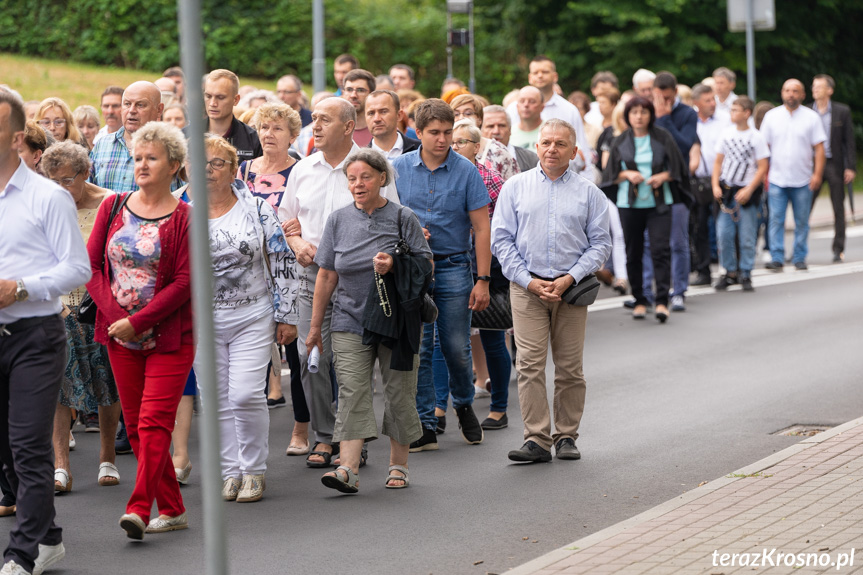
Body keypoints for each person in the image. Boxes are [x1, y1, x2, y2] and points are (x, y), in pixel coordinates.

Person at [85, 121, 193, 539]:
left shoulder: (185, 217)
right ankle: (173, 506)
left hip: (170, 339)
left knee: (152, 425)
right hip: (119, 337)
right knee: (138, 427)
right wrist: (118, 321)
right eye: (138, 158)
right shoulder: (113, 206)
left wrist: (139, 322)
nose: (142, 165)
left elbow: (185, 281)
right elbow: (92, 267)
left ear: (175, 166)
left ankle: (138, 508)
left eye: (152, 158)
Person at [278, 98, 400, 468]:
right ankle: (325, 436)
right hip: (312, 274)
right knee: (309, 355)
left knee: (351, 364)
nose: (314, 126)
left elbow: (390, 218)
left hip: (357, 279)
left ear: (348, 127)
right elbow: (287, 218)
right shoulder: (303, 169)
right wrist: (297, 244)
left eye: (324, 120)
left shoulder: (372, 166)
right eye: (313, 119)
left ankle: (351, 438)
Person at [0, 90, 91, 575]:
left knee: (29, 445)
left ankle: (25, 550)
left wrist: (19, 290)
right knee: (7, 452)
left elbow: (78, 269)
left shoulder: (48, 196)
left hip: (35, 334)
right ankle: (49, 536)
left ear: (17, 138)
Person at [309, 150, 431, 493]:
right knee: (352, 390)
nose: (358, 184)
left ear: (382, 179)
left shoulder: (403, 217)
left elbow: (425, 265)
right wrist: (316, 327)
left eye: (365, 177)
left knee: (399, 393)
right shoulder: (337, 220)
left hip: (397, 323)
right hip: (350, 318)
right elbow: (326, 275)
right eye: (352, 178)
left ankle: (399, 464)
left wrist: (393, 264)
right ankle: (347, 467)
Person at [492, 118, 611, 463]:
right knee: (529, 364)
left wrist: (570, 277)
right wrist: (528, 281)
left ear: (574, 152)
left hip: (571, 290)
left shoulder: (590, 193)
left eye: (560, 144)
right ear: (536, 147)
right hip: (526, 286)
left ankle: (566, 436)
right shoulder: (515, 187)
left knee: (570, 367)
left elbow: (600, 244)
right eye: (545, 143)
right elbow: (502, 240)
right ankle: (537, 438)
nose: (551, 149)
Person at [199, 135, 298, 502]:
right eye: (201, 163)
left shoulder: (255, 208)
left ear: (233, 170)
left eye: (217, 163)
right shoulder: (181, 210)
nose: (208, 170)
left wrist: (287, 314)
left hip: (253, 313)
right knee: (215, 398)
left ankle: (254, 469)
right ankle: (230, 471)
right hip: (202, 320)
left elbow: (283, 259)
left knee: (242, 394)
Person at [392, 99, 491, 452]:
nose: (443, 140)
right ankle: (425, 422)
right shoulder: (399, 168)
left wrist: (483, 279)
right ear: (418, 133)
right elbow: (385, 217)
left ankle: (463, 402)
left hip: (453, 266)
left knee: (455, 346)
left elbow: (481, 226)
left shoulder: (466, 170)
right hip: (412, 269)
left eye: (448, 133)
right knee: (419, 346)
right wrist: (410, 229)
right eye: (434, 133)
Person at [40, 142, 123, 493]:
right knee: (59, 389)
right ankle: (62, 466)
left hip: (100, 306)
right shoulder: (45, 204)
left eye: (67, 180)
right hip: (57, 307)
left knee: (107, 383)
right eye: (52, 180)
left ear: (86, 173)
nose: (60, 188)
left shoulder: (112, 201)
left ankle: (107, 458)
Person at [236, 101, 307, 448]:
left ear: (293, 135)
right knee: (253, 356)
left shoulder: (302, 171)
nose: (268, 134)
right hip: (251, 270)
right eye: (264, 127)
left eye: (277, 128)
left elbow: (310, 215)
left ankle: (302, 426)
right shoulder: (244, 170)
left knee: (296, 353)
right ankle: (249, 437)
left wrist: (298, 226)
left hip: (290, 269)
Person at [602, 96, 690, 323]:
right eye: (634, 112)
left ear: (651, 115)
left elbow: (678, 168)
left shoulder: (663, 137)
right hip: (629, 204)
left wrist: (662, 176)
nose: (639, 116)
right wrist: (627, 174)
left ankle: (662, 300)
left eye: (643, 112)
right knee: (633, 252)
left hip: (659, 202)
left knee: (660, 250)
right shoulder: (620, 140)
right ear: (627, 117)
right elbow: (609, 174)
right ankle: (640, 299)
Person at [450, 120, 511, 431]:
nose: (455, 146)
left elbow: (502, 229)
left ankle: (499, 406)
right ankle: (444, 406)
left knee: (492, 337)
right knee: (447, 340)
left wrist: (487, 275)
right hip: (452, 264)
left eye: (462, 141)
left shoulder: (493, 181)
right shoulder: (446, 175)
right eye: (453, 141)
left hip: (487, 268)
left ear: (477, 147)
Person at [760, 79, 826, 272]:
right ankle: (777, 256)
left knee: (802, 221)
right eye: (787, 91)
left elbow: (819, 149)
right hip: (777, 179)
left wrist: (817, 174)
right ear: (782, 93)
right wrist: (763, 175)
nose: (791, 94)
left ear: (802, 95)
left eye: (795, 91)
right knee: (775, 219)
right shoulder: (772, 117)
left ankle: (799, 256)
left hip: (803, 179)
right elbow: (764, 148)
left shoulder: (811, 117)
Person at [711, 97, 770, 292]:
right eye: (731, 110)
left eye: (736, 110)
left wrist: (749, 189)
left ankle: (746, 271)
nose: (732, 113)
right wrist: (715, 185)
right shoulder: (726, 134)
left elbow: (762, 166)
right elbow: (718, 162)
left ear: (746, 113)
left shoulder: (756, 137)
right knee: (724, 234)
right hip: (727, 190)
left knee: (747, 235)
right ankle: (729, 271)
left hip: (746, 190)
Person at [90, 81, 172, 193]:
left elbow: (180, 198)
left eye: (140, 105)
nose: (132, 110)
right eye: (127, 104)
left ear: (159, 110)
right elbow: (87, 190)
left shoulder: (169, 149)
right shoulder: (102, 145)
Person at [811, 74, 857, 262]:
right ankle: (798, 249)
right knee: (804, 206)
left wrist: (850, 167)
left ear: (829, 90)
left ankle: (838, 249)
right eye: (814, 87)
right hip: (813, 165)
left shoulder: (841, 111)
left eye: (819, 87)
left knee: (838, 206)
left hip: (834, 163)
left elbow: (849, 141)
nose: (815, 90)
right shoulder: (807, 111)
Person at [505, 56, 588, 153]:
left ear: (555, 76)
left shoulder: (569, 110)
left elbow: (581, 146)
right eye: (535, 72)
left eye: (545, 72)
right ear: (530, 78)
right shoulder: (513, 108)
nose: (540, 76)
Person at [691, 83, 730, 286]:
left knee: (724, 227)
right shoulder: (691, 121)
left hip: (721, 181)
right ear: (696, 103)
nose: (712, 104)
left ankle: (730, 269)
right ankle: (703, 271)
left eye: (713, 99)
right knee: (699, 228)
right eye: (707, 100)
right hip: (697, 181)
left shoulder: (724, 120)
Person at [450, 94, 518, 182]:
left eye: (468, 113)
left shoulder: (498, 151)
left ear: (479, 119)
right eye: (456, 114)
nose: (461, 118)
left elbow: (514, 188)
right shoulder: (443, 148)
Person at [204, 69, 263, 163]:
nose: (212, 103)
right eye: (208, 96)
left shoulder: (254, 140)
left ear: (236, 100)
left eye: (220, 97)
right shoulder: (186, 136)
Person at [481, 104, 539, 173]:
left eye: (501, 126)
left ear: (510, 129)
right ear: (480, 130)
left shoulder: (531, 159)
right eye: (490, 126)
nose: (496, 131)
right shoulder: (473, 159)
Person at [366, 90, 420, 159]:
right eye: (371, 113)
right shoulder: (360, 160)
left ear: (399, 115)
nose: (377, 119)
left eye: (383, 112)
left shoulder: (421, 151)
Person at [342, 69, 376, 147]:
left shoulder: (383, 129)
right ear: (343, 93)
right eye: (349, 89)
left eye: (360, 90)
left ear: (371, 94)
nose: (353, 95)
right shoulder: (331, 129)